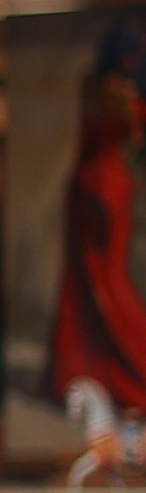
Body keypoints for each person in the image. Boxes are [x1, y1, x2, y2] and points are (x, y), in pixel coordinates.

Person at [47, 32, 146, 417]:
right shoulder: (98, 108)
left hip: (106, 196)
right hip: (97, 195)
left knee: (108, 293)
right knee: (93, 292)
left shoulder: (117, 113)